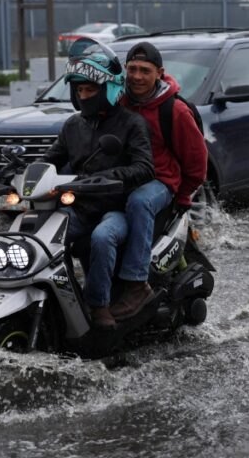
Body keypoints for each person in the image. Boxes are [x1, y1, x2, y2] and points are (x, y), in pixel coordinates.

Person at [43, 38, 154, 328]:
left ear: (107, 90)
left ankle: (98, 306)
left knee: (103, 237)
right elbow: (50, 160)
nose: (83, 95)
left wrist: (110, 177)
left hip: (115, 208)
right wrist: (21, 172)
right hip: (79, 207)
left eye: (90, 89)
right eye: (79, 89)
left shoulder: (131, 124)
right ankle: (55, 297)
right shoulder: (72, 125)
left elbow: (145, 168)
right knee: (42, 235)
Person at [109, 41, 208, 320]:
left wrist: (182, 197)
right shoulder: (118, 102)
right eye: (132, 69)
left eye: (145, 70)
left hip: (160, 183)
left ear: (159, 73)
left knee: (139, 202)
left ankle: (136, 285)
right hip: (123, 178)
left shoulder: (174, 111)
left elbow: (197, 163)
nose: (137, 76)